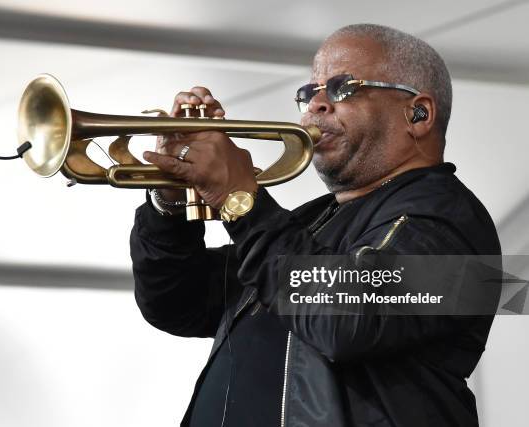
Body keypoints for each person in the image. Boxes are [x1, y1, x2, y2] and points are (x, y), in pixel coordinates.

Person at [130, 23, 501, 426]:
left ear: (418, 113)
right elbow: (174, 303)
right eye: (309, 93)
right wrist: (168, 202)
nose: (316, 106)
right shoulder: (311, 222)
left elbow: (349, 318)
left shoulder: (454, 220)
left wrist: (240, 200)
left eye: (343, 88)